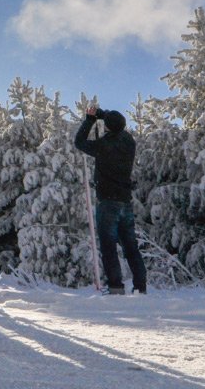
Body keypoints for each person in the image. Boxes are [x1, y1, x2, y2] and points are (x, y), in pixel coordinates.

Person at [74, 104, 148, 295]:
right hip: (125, 201)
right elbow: (116, 125)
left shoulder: (104, 145)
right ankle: (141, 287)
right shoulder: (129, 142)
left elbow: (80, 142)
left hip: (107, 202)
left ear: (108, 127)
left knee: (108, 246)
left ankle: (115, 286)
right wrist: (105, 116)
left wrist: (91, 119)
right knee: (131, 246)